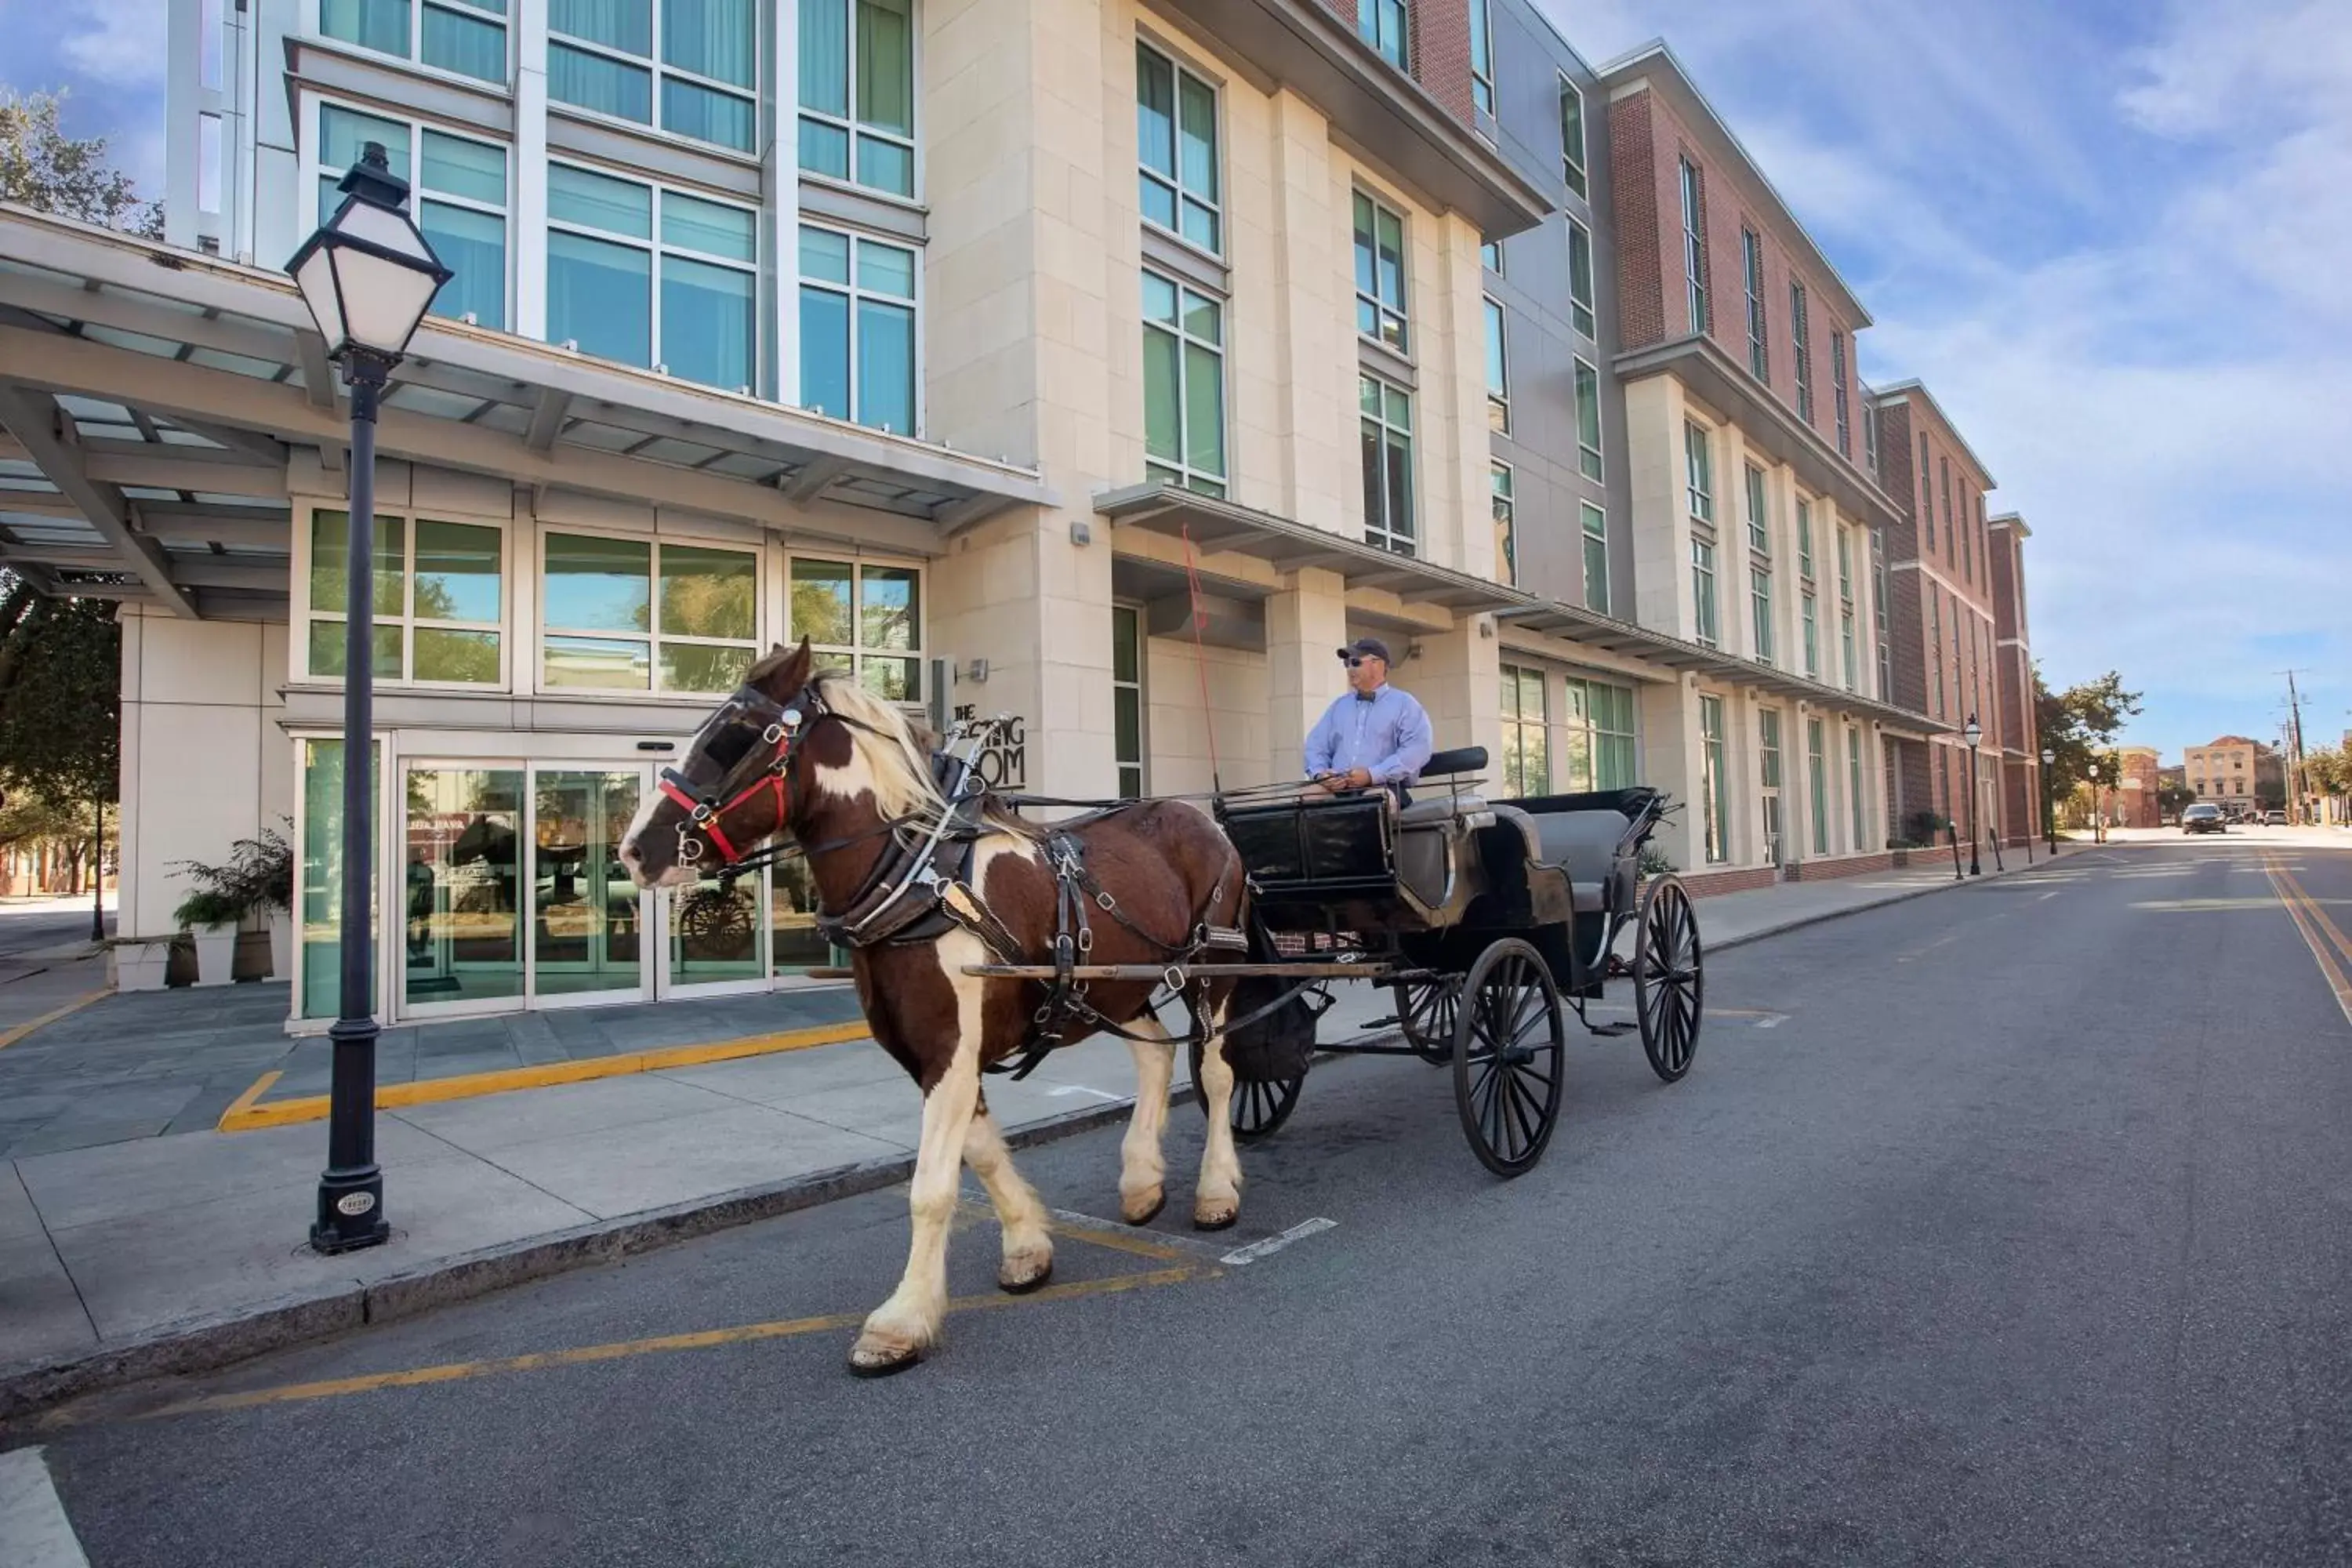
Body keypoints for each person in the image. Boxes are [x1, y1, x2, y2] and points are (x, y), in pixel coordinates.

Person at [1304, 637, 1432, 804]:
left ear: (1378, 664)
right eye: (1347, 664)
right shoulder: (1339, 706)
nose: (1350, 669)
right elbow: (1315, 746)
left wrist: (1372, 775)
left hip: (1386, 786)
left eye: (1355, 662)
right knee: (1306, 797)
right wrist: (1321, 775)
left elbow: (1417, 750)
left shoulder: (1405, 704)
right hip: (1338, 789)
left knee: (1375, 802)